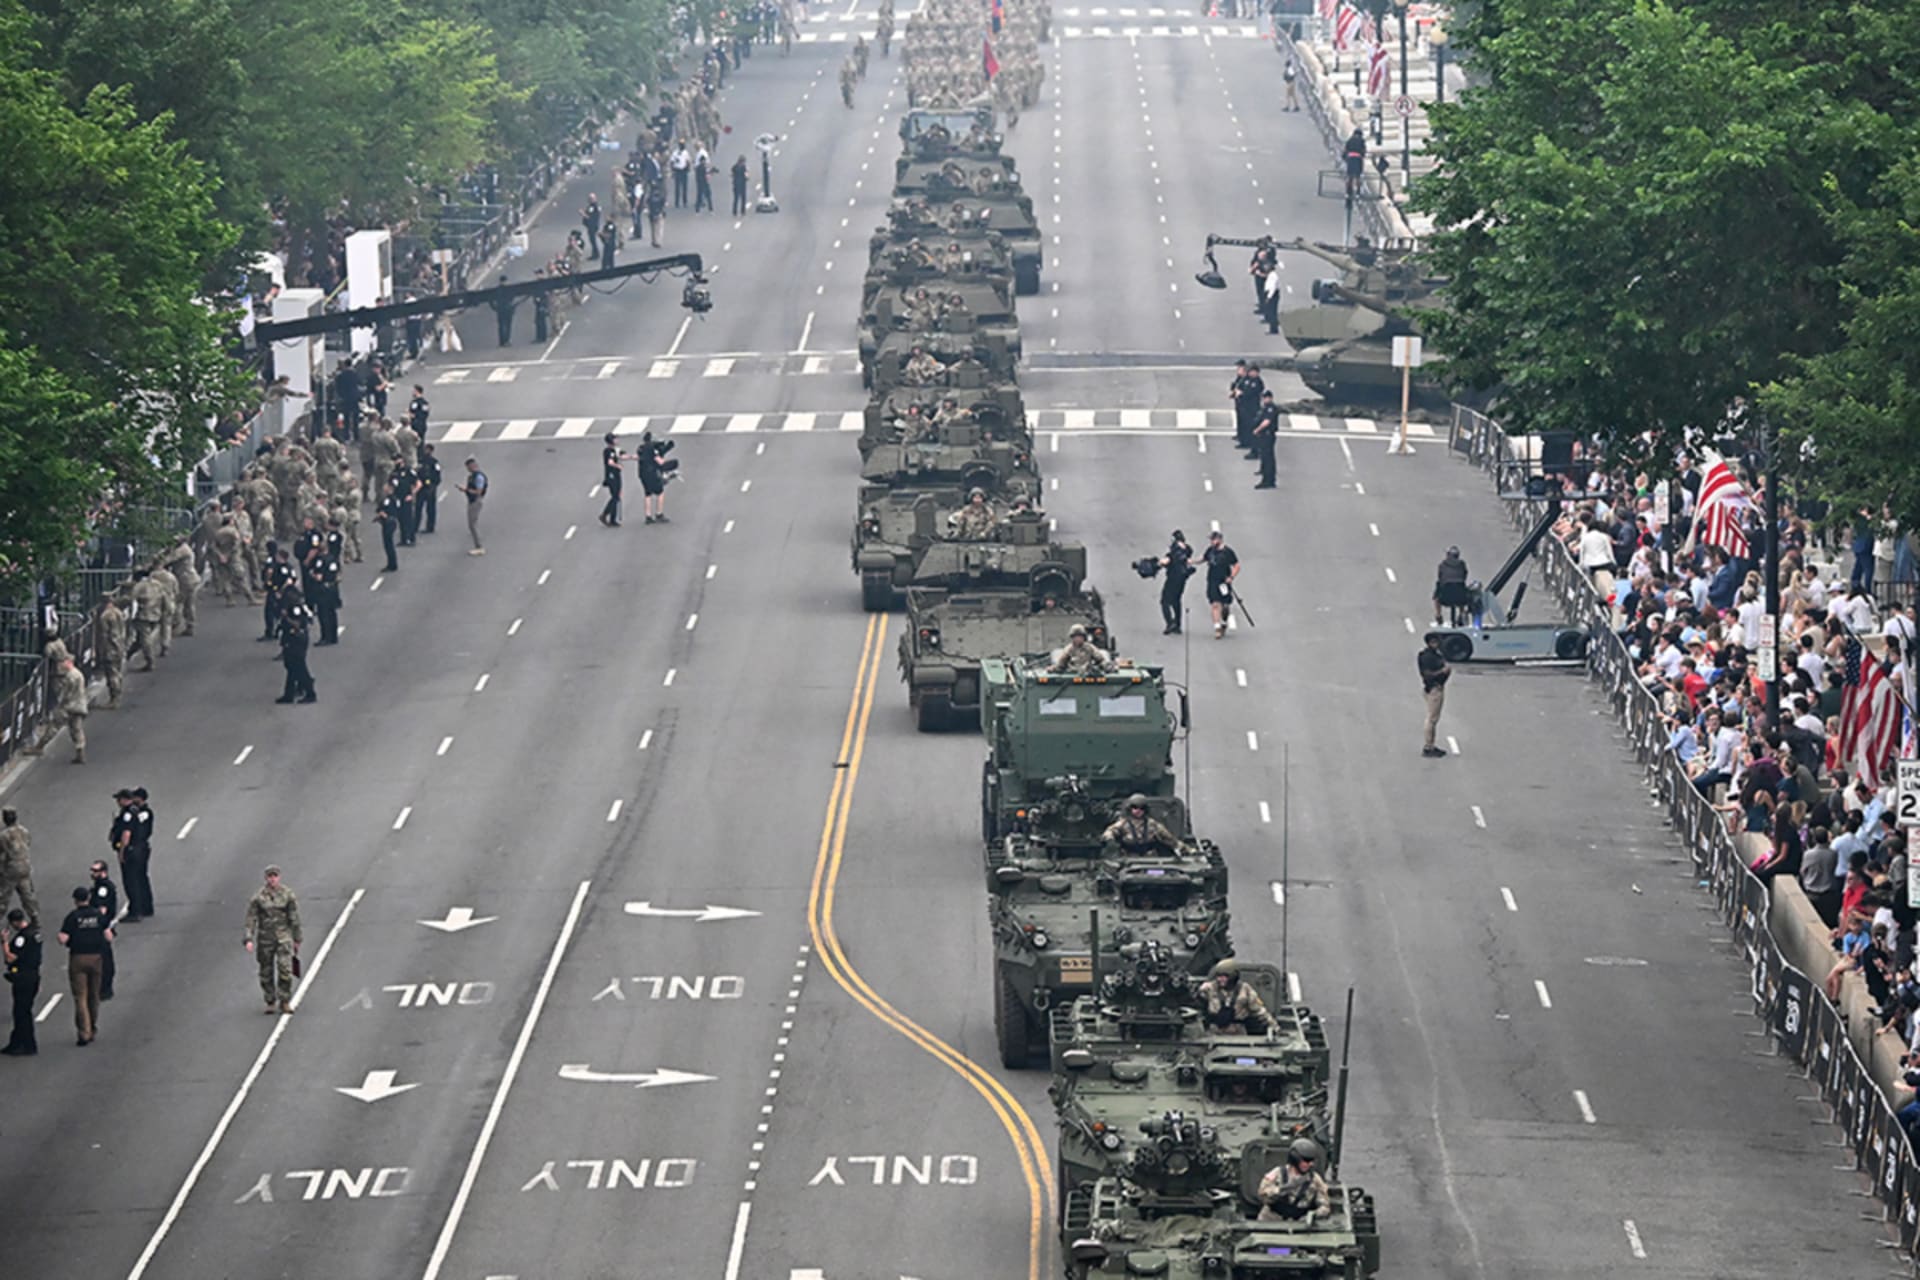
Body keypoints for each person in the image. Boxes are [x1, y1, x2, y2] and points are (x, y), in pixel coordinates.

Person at [245, 865, 303, 1015]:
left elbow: (294, 917)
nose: (272, 879)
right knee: (266, 971)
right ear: (266, 878)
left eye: (275, 876)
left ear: (279, 877)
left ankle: (284, 1000)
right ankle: (270, 1000)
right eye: (270, 876)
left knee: (285, 969)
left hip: (283, 938)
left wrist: (297, 938)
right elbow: (251, 918)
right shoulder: (258, 897)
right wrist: (248, 938)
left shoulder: (287, 894)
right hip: (265, 940)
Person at [58, 886, 111, 1045]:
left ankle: (84, 1032)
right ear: (88, 898)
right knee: (94, 996)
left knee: (80, 997)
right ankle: (93, 1026)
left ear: (75, 900)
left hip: (78, 958)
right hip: (96, 958)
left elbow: (63, 939)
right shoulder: (98, 915)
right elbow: (108, 936)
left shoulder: (72, 917)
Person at [1257, 1139, 1332, 1222]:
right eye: (1306, 1161)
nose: (1310, 1164)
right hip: (1272, 1220)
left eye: (1311, 1161)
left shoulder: (1314, 1179)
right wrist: (1282, 1189)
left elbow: (1325, 1206)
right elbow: (1262, 1194)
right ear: (1295, 1159)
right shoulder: (1278, 1173)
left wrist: (1314, 1214)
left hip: (1300, 1222)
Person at [3, 908, 40, 1055]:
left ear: (14, 922)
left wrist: (4, 943)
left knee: (21, 1012)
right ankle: (16, 1042)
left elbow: (10, 958)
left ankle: (28, 1044)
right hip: (34, 975)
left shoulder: (21, 938)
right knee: (22, 1011)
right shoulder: (35, 933)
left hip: (24, 977)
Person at [1202, 958, 1274, 1033]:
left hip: (1237, 1030)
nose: (1220, 979)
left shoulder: (1245, 989)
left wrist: (1274, 1026)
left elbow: (1259, 1010)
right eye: (1218, 976)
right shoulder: (1209, 988)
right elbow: (1195, 1002)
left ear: (1233, 975)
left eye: (1224, 976)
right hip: (1215, 1030)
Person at [1103, 794, 1182, 854]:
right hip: (1129, 855)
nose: (1138, 810)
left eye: (1142, 808)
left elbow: (1169, 838)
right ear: (1130, 809)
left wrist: (1186, 849)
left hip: (1149, 856)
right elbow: (1110, 831)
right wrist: (1110, 840)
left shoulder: (1152, 824)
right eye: (1135, 807)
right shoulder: (1123, 823)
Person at [0, 809, 38, 925]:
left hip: (10, 870)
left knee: (3, 897)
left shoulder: (3, 835)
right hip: (25, 867)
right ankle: (34, 916)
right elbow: (28, 844)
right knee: (27, 894)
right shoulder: (24, 831)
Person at [277, 597, 317, 704]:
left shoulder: (293, 603)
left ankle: (310, 691)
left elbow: (298, 623)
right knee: (290, 666)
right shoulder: (293, 598)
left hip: (296, 638)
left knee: (298, 666)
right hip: (292, 637)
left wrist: (286, 617)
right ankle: (289, 694)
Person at [1419, 634, 1451, 757]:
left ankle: (1430, 744)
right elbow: (1427, 674)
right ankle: (1428, 746)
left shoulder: (1433, 655)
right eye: (1435, 642)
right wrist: (1442, 672)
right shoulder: (1428, 657)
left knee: (1433, 718)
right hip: (1434, 689)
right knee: (1432, 719)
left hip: (1434, 688)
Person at [1203, 530, 1239, 639]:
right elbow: (1204, 559)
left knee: (1224, 603)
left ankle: (1224, 619)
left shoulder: (1228, 552)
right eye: (1211, 540)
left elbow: (1236, 565)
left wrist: (1231, 577)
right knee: (1215, 604)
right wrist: (1191, 561)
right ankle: (1217, 628)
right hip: (1212, 581)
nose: (1212, 542)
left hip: (1223, 582)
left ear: (1219, 540)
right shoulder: (1210, 551)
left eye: (1213, 540)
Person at [1160, 530, 1193, 635]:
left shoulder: (1175, 549)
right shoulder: (1187, 549)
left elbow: (1169, 560)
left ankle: (1170, 623)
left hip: (1173, 578)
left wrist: (1161, 563)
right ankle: (1177, 624)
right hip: (1182, 579)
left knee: (1164, 600)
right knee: (1176, 600)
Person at [56, 655, 88, 764]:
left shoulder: (71, 676)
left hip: (72, 706)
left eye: (62, 662)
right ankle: (80, 752)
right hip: (79, 705)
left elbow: (66, 693)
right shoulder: (77, 674)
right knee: (76, 729)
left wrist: (61, 702)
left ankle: (40, 745)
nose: (60, 665)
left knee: (56, 724)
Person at [636, 435, 670, 525]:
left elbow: (637, 457)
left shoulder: (640, 448)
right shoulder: (653, 449)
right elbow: (660, 461)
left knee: (648, 494)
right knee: (660, 492)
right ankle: (659, 513)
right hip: (651, 473)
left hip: (642, 474)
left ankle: (648, 515)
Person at [1433, 546, 1472, 624]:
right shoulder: (1462, 564)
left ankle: (1438, 615)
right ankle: (1461, 613)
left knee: (1436, 594)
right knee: (1462, 589)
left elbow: (1440, 577)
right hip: (1460, 597)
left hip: (1445, 596)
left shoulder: (1442, 565)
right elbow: (1464, 576)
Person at [459, 457, 489, 552]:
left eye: (468, 467)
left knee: (472, 524)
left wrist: (466, 490)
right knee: (472, 524)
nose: (467, 469)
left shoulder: (479, 477)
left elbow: (478, 491)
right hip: (472, 501)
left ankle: (479, 546)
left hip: (476, 501)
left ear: (472, 466)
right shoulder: (472, 476)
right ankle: (477, 544)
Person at [1252, 391, 1279, 489]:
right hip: (1264, 435)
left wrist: (1257, 429)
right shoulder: (1265, 408)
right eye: (1264, 398)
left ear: (1271, 398)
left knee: (1268, 458)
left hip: (1268, 434)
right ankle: (1267, 478)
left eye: (1266, 398)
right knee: (1265, 457)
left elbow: (1267, 422)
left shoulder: (1271, 408)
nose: (1265, 400)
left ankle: (1268, 480)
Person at [600, 434, 629, 527]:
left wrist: (633, 457)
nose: (617, 440)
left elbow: (622, 455)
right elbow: (610, 462)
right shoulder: (608, 451)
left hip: (616, 475)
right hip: (612, 476)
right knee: (615, 496)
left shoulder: (615, 450)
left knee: (617, 496)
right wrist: (618, 466)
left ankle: (613, 519)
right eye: (615, 439)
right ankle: (604, 514)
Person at [375, 480, 402, 573]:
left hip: (388, 523)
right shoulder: (395, 498)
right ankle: (392, 563)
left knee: (388, 544)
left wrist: (382, 514)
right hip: (392, 522)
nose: (384, 487)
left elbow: (384, 510)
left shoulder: (388, 499)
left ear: (390, 488)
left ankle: (392, 564)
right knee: (389, 544)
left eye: (386, 485)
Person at [418, 443, 442, 535]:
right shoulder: (420, 461)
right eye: (425, 449)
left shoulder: (434, 462)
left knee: (430, 508)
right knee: (418, 508)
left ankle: (430, 527)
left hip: (430, 487)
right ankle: (415, 526)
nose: (426, 451)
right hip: (421, 486)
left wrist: (434, 484)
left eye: (428, 450)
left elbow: (437, 474)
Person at [1343, 128, 1367, 198]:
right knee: (1358, 177)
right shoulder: (1362, 141)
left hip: (1350, 159)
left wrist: (1345, 158)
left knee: (1350, 176)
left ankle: (1348, 192)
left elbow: (1345, 151)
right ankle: (1358, 193)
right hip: (1358, 159)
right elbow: (1363, 152)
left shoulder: (1349, 140)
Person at [491, 274, 514, 346]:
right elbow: (512, 298)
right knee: (507, 325)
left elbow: (490, 299)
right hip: (507, 309)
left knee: (501, 326)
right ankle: (506, 340)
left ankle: (502, 341)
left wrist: (494, 307)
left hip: (500, 310)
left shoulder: (497, 290)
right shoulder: (509, 289)